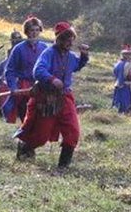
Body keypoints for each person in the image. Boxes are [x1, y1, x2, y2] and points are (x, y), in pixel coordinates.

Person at [15, 22, 89, 172]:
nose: (69, 42)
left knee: (73, 131)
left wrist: (84, 57)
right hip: (46, 99)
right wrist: (52, 79)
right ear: (59, 39)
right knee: (41, 136)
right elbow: (38, 70)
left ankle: (63, 167)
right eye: (66, 39)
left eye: (71, 39)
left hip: (65, 98)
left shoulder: (69, 56)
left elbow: (76, 65)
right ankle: (24, 148)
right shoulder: (48, 53)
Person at [3, 16, 49, 123]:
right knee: (26, 116)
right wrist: (13, 87)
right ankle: (26, 137)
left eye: (37, 30)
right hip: (24, 88)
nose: (34, 33)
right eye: (32, 30)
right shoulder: (18, 49)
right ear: (26, 32)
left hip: (41, 87)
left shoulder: (45, 48)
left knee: (40, 117)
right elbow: (10, 70)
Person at [112, 46, 131, 113]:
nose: (129, 56)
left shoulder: (117, 64)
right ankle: (126, 111)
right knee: (126, 100)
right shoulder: (128, 64)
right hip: (126, 85)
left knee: (118, 100)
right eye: (128, 54)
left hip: (118, 84)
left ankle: (118, 111)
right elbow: (129, 75)